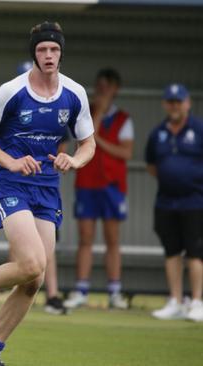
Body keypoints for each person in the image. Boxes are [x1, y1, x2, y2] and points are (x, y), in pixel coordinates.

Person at [0, 22, 95, 365]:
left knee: (34, 279)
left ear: (61, 52)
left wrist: (75, 159)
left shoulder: (75, 93)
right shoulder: (12, 91)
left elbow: (88, 143)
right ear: (34, 55)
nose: (48, 55)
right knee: (33, 262)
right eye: (41, 50)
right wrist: (10, 161)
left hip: (47, 187)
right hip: (10, 182)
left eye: (53, 49)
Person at [64, 68, 134, 310]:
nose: (102, 91)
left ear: (116, 90)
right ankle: (81, 288)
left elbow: (126, 152)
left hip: (112, 186)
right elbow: (83, 141)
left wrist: (100, 143)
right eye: (99, 86)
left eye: (107, 87)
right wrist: (100, 113)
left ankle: (115, 291)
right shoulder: (86, 114)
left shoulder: (124, 119)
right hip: (86, 184)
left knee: (112, 239)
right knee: (85, 238)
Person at [146, 83, 203, 322]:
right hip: (166, 202)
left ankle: (197, 302)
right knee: (171, 251)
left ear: (187, 103)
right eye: (171, 102)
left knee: (195, 252)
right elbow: (151, 165)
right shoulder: (158, 132)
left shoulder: (199, 130)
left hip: (195, 201)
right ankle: (176, 301)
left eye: (179, 102)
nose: (175, 106)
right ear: (165, 104)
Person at [15, 59, 67, 316]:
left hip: (45, 187)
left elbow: (62, 145)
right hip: (16, 185)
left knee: (46, 251)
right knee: (25, 252)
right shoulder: (12, 101)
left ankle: (52, 294)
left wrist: (63, 160)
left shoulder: (60, 104)